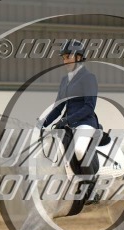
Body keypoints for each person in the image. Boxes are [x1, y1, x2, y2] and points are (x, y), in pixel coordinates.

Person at [40, 39, 101, 177]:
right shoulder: (64, 80)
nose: (65, 61)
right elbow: (58, 107)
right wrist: (42, 123)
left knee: (79, 150)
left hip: (85, 123)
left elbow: (89, 107)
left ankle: (91, 187)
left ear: (79, 57)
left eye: (68, 57)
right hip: (67, 126)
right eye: (64, 58)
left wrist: (68, 119)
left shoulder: (89, 78)